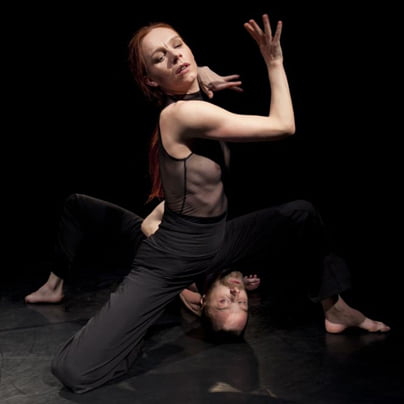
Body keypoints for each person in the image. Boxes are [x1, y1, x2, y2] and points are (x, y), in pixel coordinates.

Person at [50, 13, 389, 395]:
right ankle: (126, 332)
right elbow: (283, 125)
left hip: (217, 241)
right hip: (176, 255)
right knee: (74, 370)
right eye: (159, 57)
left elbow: (192, 99)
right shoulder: (182, 114)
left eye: (177, 45)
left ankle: (336, 309)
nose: (174, 55)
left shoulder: (191, 101)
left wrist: (201, 75)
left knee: (300, 215)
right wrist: (274, 60)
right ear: (150, 79)